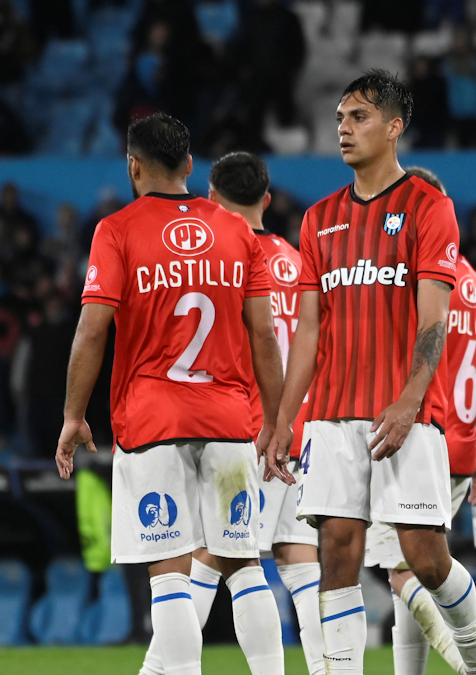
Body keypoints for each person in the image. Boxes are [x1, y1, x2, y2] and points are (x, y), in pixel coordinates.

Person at [269, 70, 476, 675]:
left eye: (359, 117)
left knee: (424, 558)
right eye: (341, 117)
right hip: (332, 416)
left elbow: (435, 320)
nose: (343, 128)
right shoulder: (318, 219)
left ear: (395, 127)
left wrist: (408, 400)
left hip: (403, 415)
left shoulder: (429, 207)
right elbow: (309, 331)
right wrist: (284, 419)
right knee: (337, 551)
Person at [56, 114, 287, 675]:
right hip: (230, 420)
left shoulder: (118, 229)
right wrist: (276, 424)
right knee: (244, 565)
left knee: (170, 571)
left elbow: (92, 329)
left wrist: (72, 416)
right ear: (189, 166)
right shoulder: (235, 231)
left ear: (133, 166)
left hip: (152, 420)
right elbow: (263, 335)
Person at [136, 150, 322, 675]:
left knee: (213, 556)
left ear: (211, 197)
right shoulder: (297, 261)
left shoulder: (222, 257)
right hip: (303, 429)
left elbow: (243, 343)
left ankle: (156, 670)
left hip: (251, 428)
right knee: (296, 557)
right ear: (267, 199)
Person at [362, 166, 476, 675]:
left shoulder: (407, 279)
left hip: (415, 436)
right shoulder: (473, 283)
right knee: (408, 583)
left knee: (405, 573)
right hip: (460, 445)